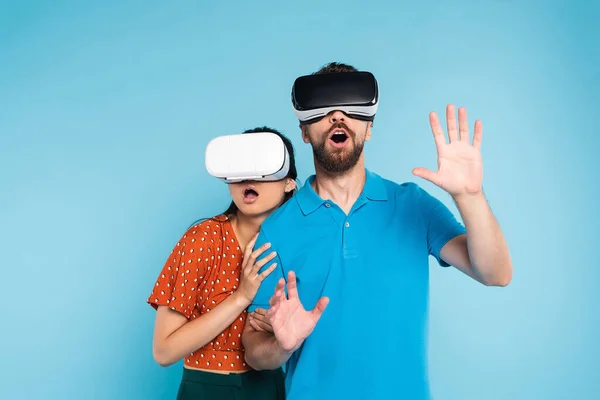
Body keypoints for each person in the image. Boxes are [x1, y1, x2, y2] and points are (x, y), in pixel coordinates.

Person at [242, 63, 513, 400]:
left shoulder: (413, 206)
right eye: (323, 110)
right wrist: (283, 346)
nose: (337, 116)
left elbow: (496, 273)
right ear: (304, 131)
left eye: (351, 109)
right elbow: (253, 351)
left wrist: (469, 197)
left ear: (368, 128)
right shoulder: (276, 231)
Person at [147, 127, 298, 400]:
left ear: (289, 182)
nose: (248, 178)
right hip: (205, 388)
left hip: (271, 387)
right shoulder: (202, 239)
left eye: (263, 168)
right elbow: (163, 350)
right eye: (238, 168)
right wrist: (241, 297)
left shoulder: (296, 244)